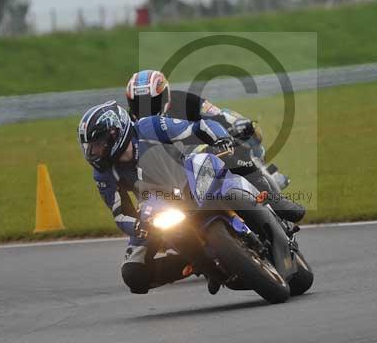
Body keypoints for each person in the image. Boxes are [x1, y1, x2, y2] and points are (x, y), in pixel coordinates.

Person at [80, 100, 276, 295]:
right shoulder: (103, 174)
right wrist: (140, 225)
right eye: (90, 147)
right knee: (133, 274)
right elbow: (121, 214)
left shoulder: (150, 126)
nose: (93, 152)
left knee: (232, 165)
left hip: (188, 175)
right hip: (157, 206)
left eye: (98, 145)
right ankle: (195, 262)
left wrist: (220, 139)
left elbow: (199, 128)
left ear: (115, 134)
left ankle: (274, 203)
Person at [125, 69, 301, 222]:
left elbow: (216, 114)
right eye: (138, 104)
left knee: (246, 135)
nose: (145, 109)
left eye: (151, 102)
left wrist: (236, 125)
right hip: (173, 174)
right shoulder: (128, 126)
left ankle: (271, 189)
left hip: (207, 148)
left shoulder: (184, 100)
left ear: (165, 96)